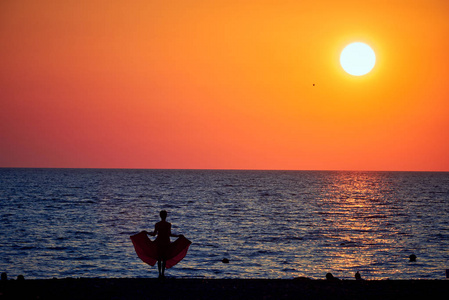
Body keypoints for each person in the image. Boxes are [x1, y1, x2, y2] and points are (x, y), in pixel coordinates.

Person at [130, 210, 191, 279]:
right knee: (164, 259)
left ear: (160, 216)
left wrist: (146, 233)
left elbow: (153, 234)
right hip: (166, 242)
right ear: (166, 216)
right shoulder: (168, 224)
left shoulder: (157, 224)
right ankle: (162, 274)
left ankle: (159, 274)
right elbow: (170, 234)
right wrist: (178, 236)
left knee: (159, 259)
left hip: (159, 242)